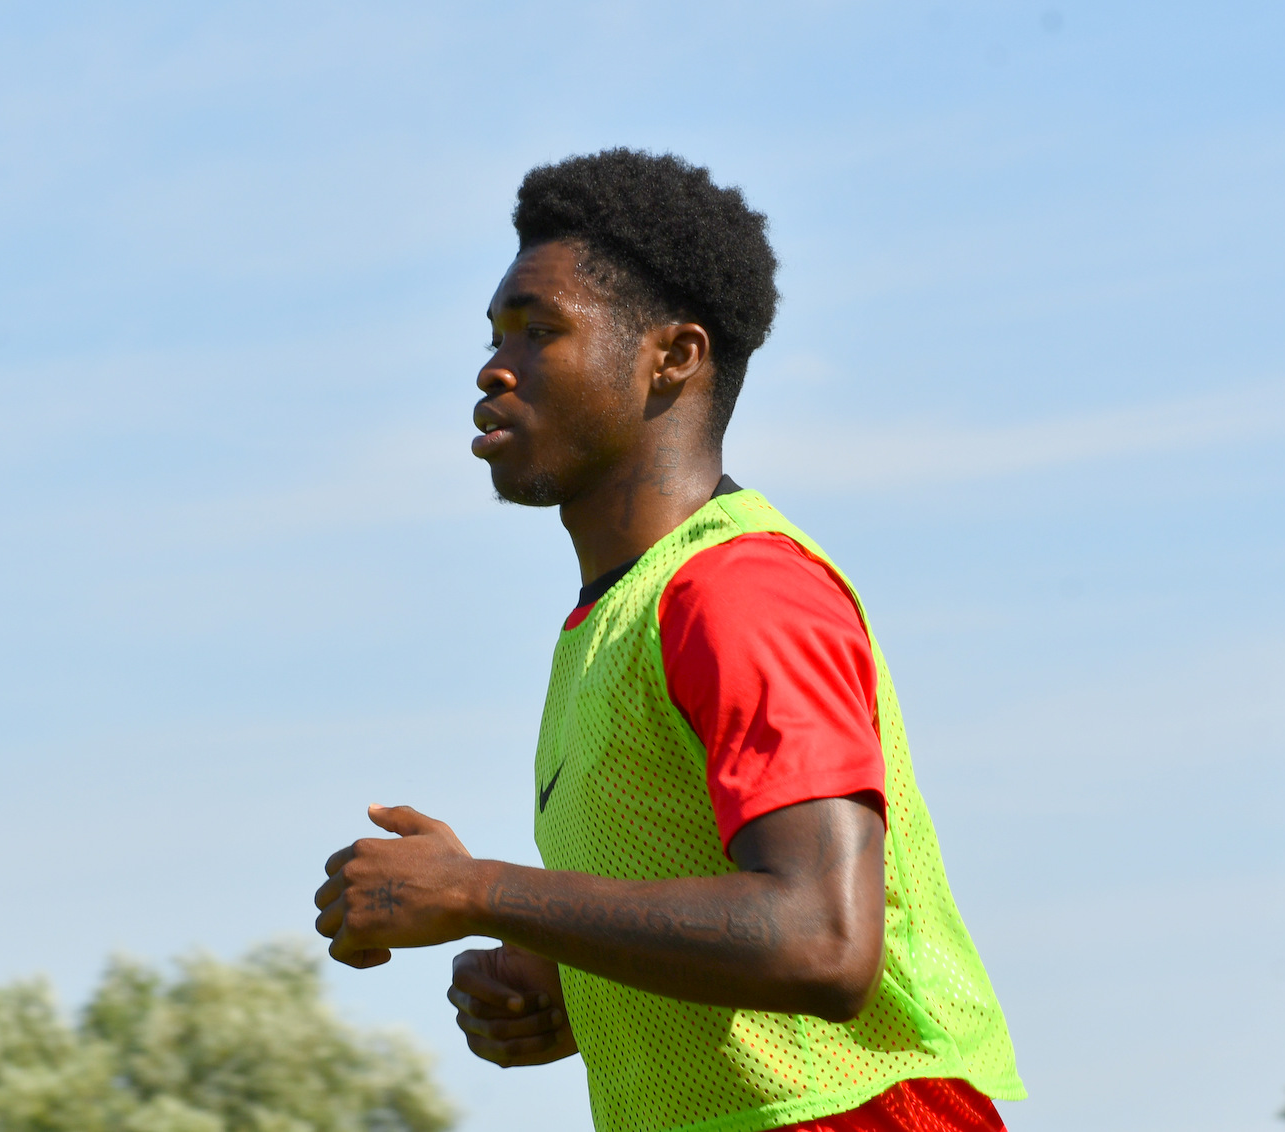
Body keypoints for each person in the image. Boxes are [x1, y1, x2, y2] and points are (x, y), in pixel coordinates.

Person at [314, 149, 1024, 1132]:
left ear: (674, 357)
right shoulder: (612, 620)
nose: (493, 366)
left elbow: (821, 940)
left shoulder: (739, 590)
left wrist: (483, 890)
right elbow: (730, 927)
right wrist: (580, 980)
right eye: (494, 334)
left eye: (540, 331)